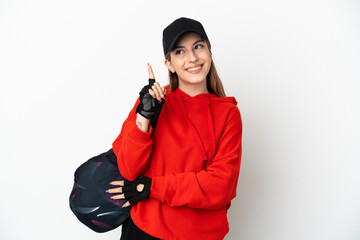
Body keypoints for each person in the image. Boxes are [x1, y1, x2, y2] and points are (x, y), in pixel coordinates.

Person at [107, 17, 243, 240]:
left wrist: (152, 187)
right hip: (144, 231)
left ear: (209, 51)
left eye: (198, 46)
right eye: (180, 52)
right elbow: (129, 171)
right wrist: (144, 115)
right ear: (168, 63)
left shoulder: (228, 114)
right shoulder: (153, 103)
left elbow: (219, 186)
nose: (192, 58)